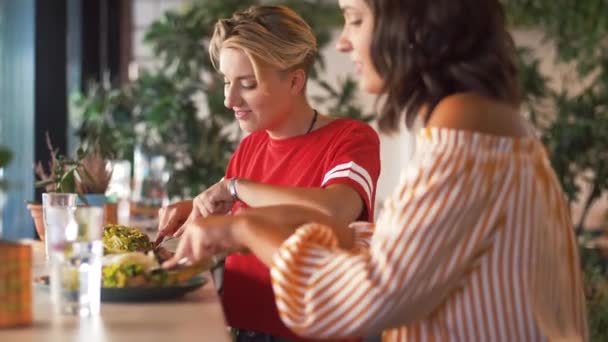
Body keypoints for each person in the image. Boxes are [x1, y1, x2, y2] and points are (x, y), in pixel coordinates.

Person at [165, 0, 589, 340]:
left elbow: (360, 298)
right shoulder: (494, 132)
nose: (344, 43)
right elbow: (419, 267)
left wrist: (243, 230)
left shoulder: (464, 141)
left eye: (355, 18)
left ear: (411, 24)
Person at [156, 5, 380, 342]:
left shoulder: (350, 138)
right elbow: (241, 235)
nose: (230, 99)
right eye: (227, 82)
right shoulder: (249, 148)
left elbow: (335, 209)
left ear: (294, 80)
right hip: (241, 329)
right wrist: (187, 232)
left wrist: (234, 188)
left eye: (247, 84)